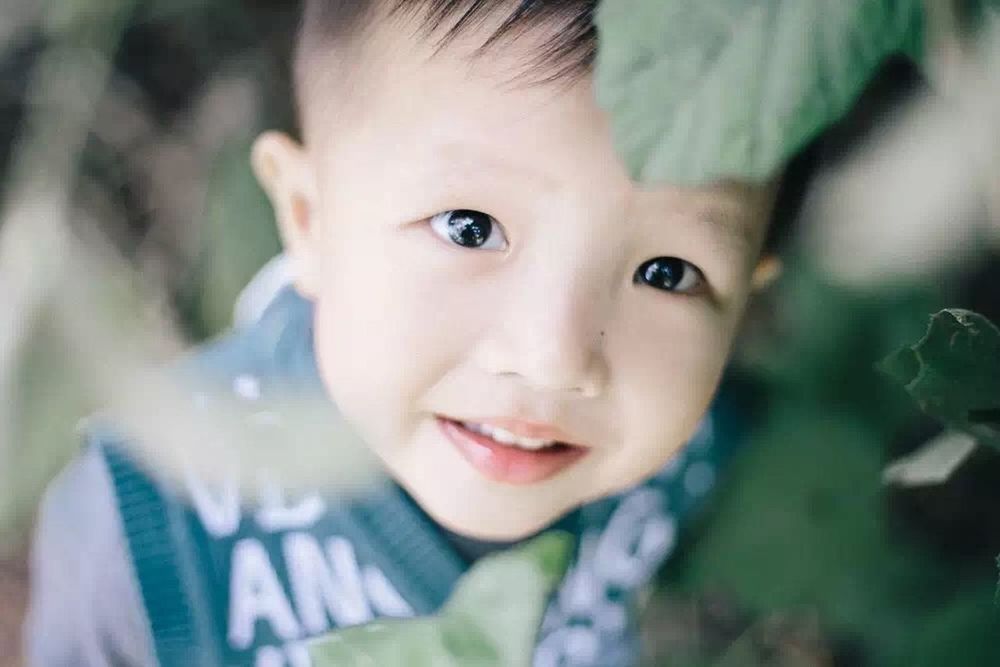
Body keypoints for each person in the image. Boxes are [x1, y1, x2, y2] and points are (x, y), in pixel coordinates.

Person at [24, 1, 812, 665]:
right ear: (308, 219)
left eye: (667, 273)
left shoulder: (716, 450)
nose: (554, 357)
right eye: (470, 228)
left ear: (745, 299)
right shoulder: (152, 529)